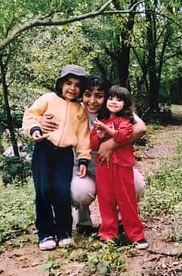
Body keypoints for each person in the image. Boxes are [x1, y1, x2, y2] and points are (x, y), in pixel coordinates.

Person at [41, 76, 146, 235]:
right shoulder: (74, 109)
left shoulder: (115, 110)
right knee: (79, 192)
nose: (92, 100)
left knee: (137, 185)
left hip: (115, 167)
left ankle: (120, 220)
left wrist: (110, 144)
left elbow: (141, 128)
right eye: (87, 94)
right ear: (81, 95)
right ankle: (84, 222)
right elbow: (44, 113)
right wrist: (41, 120)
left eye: (99, 96)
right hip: (85, 168)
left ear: (106, 96)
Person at [22, 64, 91, 251]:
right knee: (43, 191)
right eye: (68, 83)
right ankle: (45, 233)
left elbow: (84, 137)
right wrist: (35, 129)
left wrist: (83, 158)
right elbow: (30, 116)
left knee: (61, 192)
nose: (72, 88)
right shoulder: (48, 99)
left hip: (65, 154)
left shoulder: (80, 110)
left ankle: (64, 231)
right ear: (60, 84)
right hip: (43, 149)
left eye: (77, 85)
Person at [90, 85, 148, 250]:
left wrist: (106, 130)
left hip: (122, 166)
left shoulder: (126, 122)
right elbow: (93, 144)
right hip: (103, 167)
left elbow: (123, 136)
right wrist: (99, 136)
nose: (114, 102)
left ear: (126, 104)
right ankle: (108, 233)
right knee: (106, 200)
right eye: (111, 98)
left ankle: (136, 235)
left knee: (127, 201)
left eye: (119, 99)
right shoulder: (101, 121)